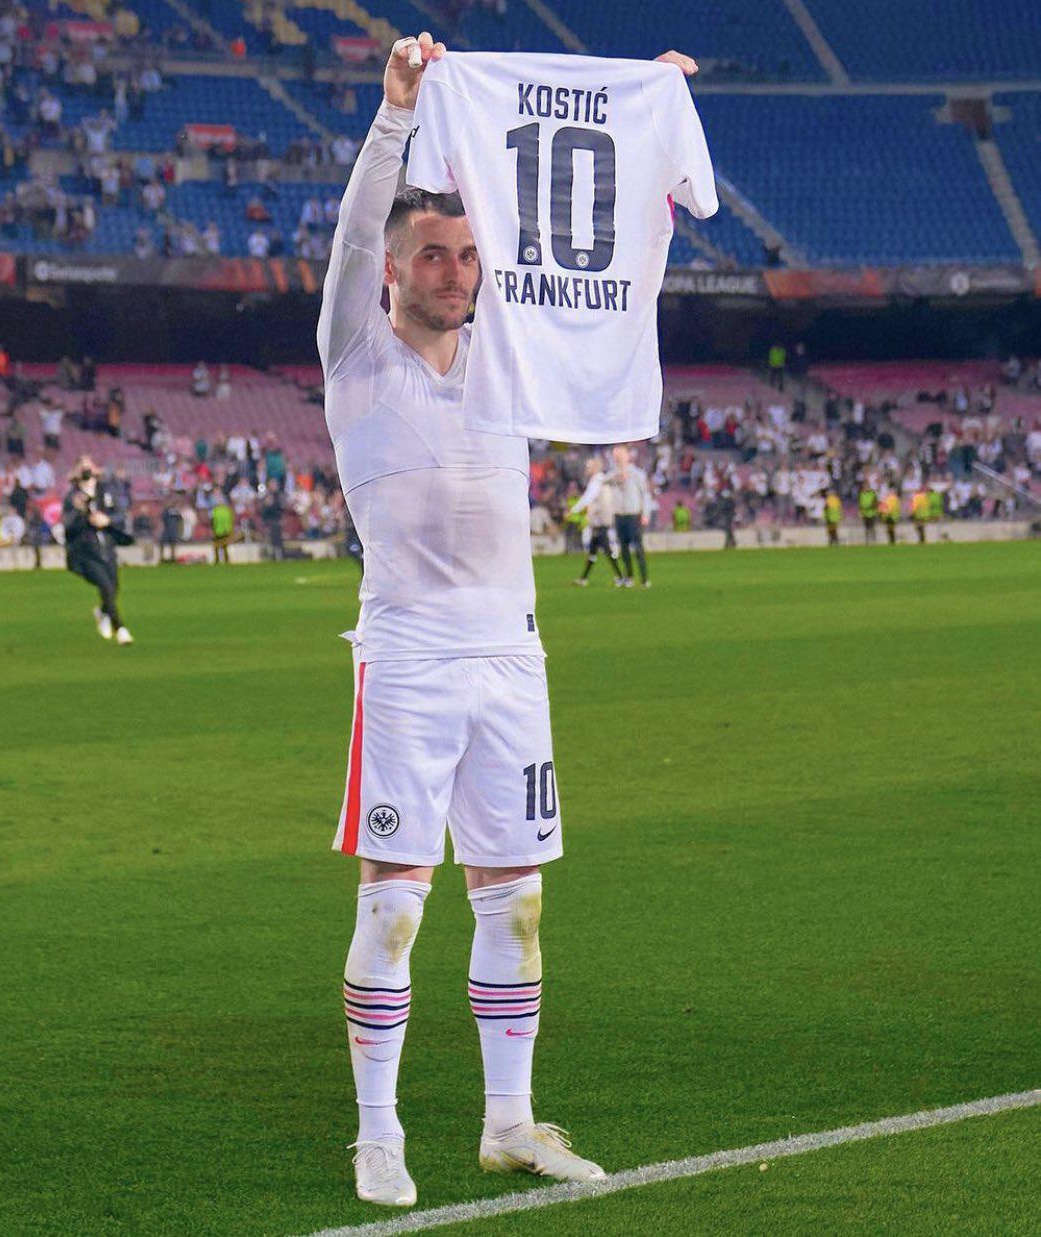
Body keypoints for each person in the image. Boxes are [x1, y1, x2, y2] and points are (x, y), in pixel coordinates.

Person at [319, 31, 698, 1208]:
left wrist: (651, 125)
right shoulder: (353, 354)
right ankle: (377, 1130)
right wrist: (393, 115)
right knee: (392, 902)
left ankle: (507, 1121)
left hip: (511, 659)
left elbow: (609, 280)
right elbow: (351, 235)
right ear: (393, 270)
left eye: (469, 252)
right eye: (432, 252)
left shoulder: (510, 358)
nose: (455, 268)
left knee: (515, 901)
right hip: (410, 658)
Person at [62, 456, 133, 644]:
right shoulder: (72, 497)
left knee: (113, 588)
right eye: (82, 467)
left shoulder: (106, 492)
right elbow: (68, 526)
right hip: (87, 552)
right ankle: (121, 629)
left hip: (107, 550)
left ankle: (103, 612)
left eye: (89, 466)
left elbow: (120, 514)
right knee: (106, 586)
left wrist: (107, 520)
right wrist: (82, 515)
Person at [567, 457, 623, 586]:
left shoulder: (597, 480)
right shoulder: (599, 480)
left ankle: (621, 577)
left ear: (595, 468)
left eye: (588, 466)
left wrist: (574, 510)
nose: (586, 468)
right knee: (593, 551)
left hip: (601, 520)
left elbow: (588, 497)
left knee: (606, 549)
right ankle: (583, 579)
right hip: (598, 521)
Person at [605, 444, 653, 588]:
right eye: (615, 456)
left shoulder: (637, 474)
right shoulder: (612, 474)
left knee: (638, 548)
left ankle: (644, 579)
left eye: (620, 455)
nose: (617, 458)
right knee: (624, 548)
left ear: (627, 456)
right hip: (620, 515)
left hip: (633, 515)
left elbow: (645, 494)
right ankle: (629, 577)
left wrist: (645, 514)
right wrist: (617, 476)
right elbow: (603, 481)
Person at [210, 494, 235, 564]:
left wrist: (213, 530)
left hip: (218, 531)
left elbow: (212, 521)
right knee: (225, 547)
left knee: (216, 547)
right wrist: (230, 530)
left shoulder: (215, 511)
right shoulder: (227, 510)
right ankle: (226, 560)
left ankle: (217, 560)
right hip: (226, 530)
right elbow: (231, 520)